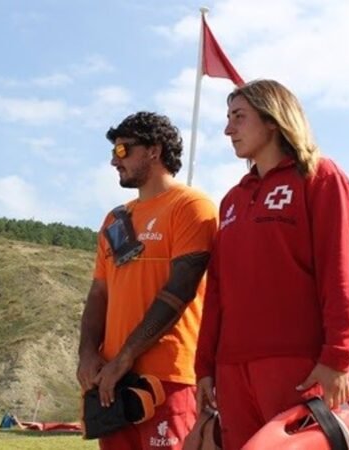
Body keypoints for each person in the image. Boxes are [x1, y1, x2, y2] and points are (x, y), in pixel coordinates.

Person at [193, 79, 349, 449]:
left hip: (296, 365)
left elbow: (340, 271)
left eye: (239, 117)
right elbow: (217, 290)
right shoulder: (232, 200)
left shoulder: (321, 177)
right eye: (228, 118)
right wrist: (204, 366)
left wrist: (337, 356)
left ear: (272, 120)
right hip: (231, 370)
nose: (227, 129)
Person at [77, 111, 218, 450]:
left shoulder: (191, 206)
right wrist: (86, 353)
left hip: (169, 376)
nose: (114, 160)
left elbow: (180, 290)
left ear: (154, 151)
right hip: (111, 381)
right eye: (114, 151)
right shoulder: (115, 219)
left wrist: (125, 356)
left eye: (124, 150)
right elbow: (99, 292)